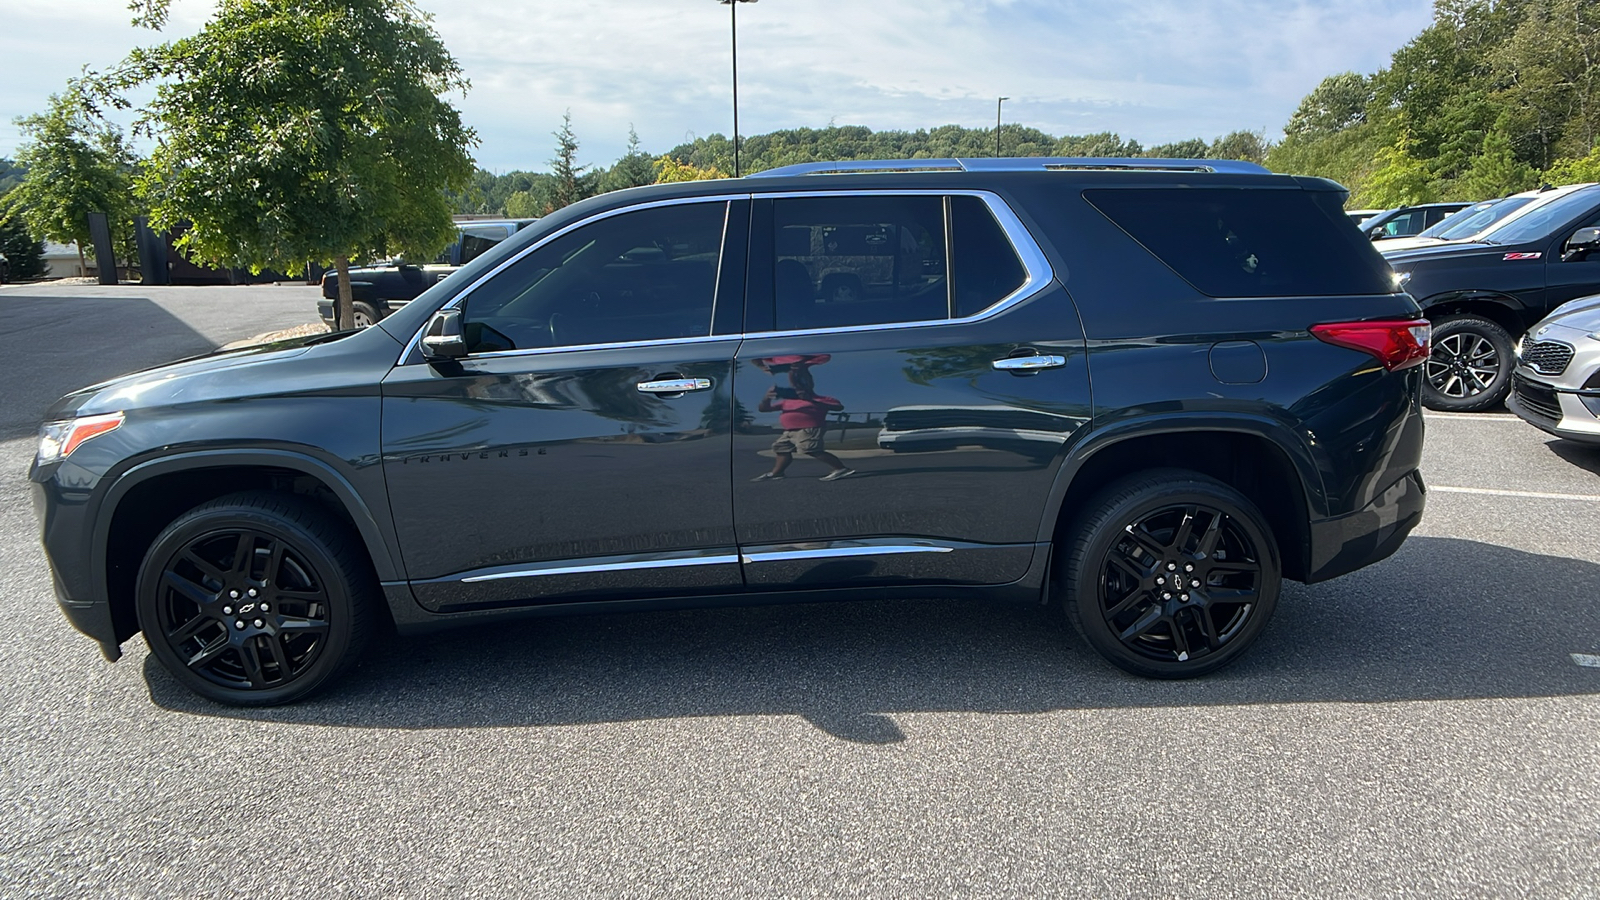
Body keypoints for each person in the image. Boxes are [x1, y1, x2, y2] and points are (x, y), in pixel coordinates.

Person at [752, 358, 855, 482]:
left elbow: (838, 407)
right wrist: (767, 398)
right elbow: (764, 409)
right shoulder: (788, 401)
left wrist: (809, 399)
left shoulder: (820, 399)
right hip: (789, 431)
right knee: (781, 448)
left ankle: (840, 469)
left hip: (809, 429)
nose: (799, 388)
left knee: (810, 448)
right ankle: (777, 473)